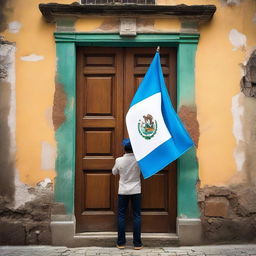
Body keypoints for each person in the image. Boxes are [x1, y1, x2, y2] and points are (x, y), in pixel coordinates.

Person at [112, 138, 143, 250]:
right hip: (136, 190)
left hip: (123, 191)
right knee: (137, 216)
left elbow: (114, 172)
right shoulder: (138, 160)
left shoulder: (119, 160)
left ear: (124, 149)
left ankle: (121, 243)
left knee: (121, 216)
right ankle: (137, 244)